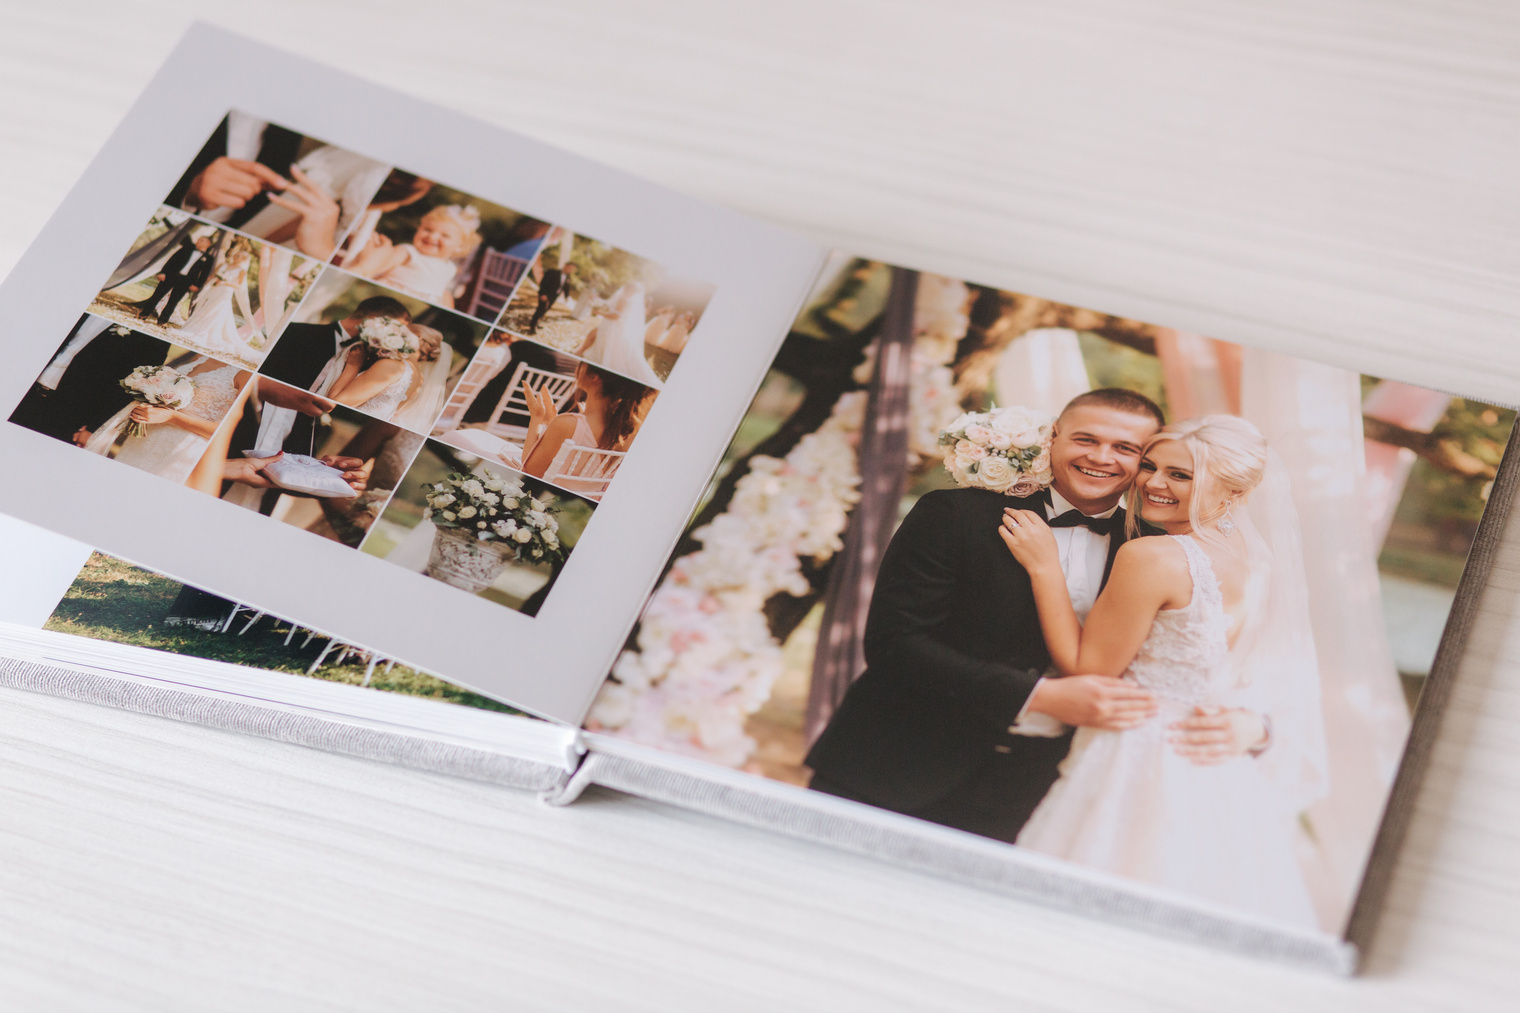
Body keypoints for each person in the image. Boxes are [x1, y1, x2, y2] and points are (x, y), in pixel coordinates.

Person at [805, 389, 1268, 842]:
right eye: (1086, 439)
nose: (1103, 457)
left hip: (1036, 792)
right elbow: (895, 645)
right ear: (1053, 438)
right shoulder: (956, 515)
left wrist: (1256, 727)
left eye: (1127, 449)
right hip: (893, 767)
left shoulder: (1158, 549)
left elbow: (1224, 658)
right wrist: (1040, 696)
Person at [1000, 415, 1323, 925]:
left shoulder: (1153, 556)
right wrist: (1255, 728)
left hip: (1137, 755)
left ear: (1233, 491)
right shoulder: (1262, 567)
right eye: (1150, 466)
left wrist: (1045, 568)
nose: (1152, 482)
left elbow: (1089, 669)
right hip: (1216, 773)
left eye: (1181, 475)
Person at [85, 355, 250, 483]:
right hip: (144, 441)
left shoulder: (245, 373)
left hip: (181, 450)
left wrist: (172, 417)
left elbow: (225, 433)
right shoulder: (200, 357)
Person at [518, 361, 655, 481]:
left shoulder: (568, 424)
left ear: (594, 377)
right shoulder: (628, 431)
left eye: (583, 362)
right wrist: (551, 423)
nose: (579, 365)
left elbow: (530, 471)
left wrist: (537, 419)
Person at [342, 204, 481, 307]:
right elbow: (382, 261)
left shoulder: (450, 268)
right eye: (427, 229)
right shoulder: (408, 252)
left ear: (460, 246)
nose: (432, 236)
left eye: (445, 235)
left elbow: (440, 291)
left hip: (415, 308)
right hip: (387, 298)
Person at [174, 245, 260, 359]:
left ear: (243, 259)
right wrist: (210, 283)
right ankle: (196, 326)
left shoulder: (242, 270)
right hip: (214, 289)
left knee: (214, 311)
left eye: (239, 256)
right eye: (236, 255)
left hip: (225, 292)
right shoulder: (224, 264)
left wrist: (224, 282)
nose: (236, 257)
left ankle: (206, 331)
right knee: (206, 308)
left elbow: (238, 285)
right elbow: (212, 276)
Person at [574, 281, 662, 388]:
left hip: (612, 326)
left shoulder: (624, 299)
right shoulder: (625, 299)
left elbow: (616, 316)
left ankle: (581, 353)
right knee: (593, 336)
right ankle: (580, 352)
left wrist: (599, 313)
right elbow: (608, 305)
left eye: (628, 288)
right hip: (612, 325)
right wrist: (596, 300)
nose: (625, 289)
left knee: (596, 338)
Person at [129, 234, 215, 326]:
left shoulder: (209, 259)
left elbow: (204, 274)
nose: (198, 241)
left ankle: (162, 321)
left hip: (186, 281)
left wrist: (197, 285)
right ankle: (144, 314)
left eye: (201, 240)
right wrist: (163, 272)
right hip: (171, 275)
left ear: (208, 244)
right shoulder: (186, 248)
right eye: (198, 239)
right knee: (157, 295)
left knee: (173, 302)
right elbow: (172, 260)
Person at [527, 261, 576, 335]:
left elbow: (566, 288)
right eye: (569, 267)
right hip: (545, 294)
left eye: (572, 269)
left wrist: (566, 297)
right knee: (540, 309)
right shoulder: (552, 272)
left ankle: (536, 322)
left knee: (545, 310)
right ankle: (532, 326)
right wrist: (543, 294)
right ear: (565, 266)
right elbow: (543, 282)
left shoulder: (568, 277)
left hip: (554, 296)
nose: (570, 270)